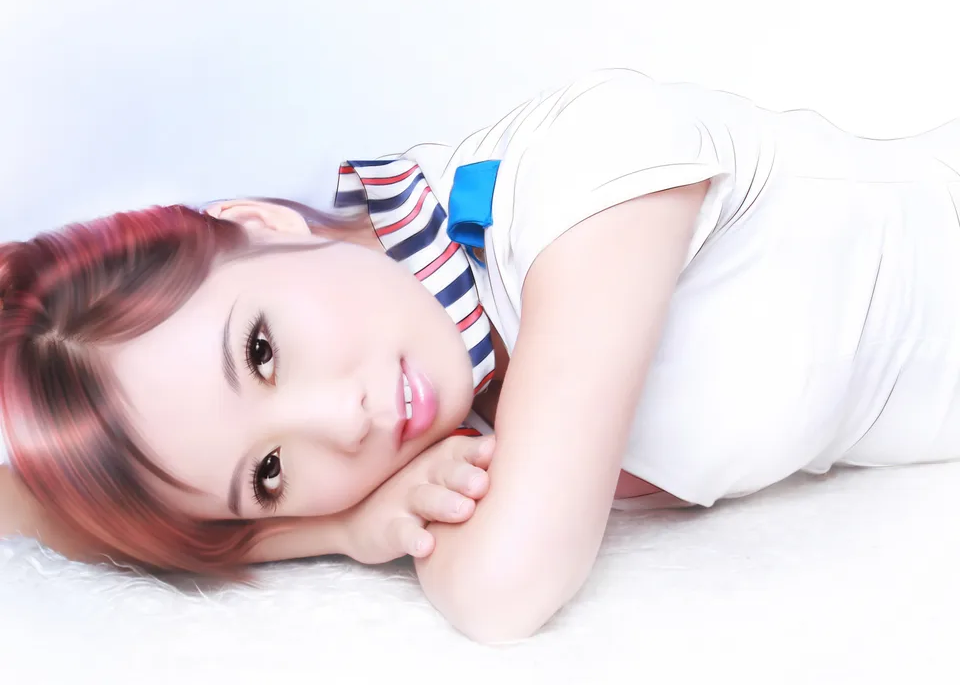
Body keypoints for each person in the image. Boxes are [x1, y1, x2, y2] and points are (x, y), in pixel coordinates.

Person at [2, 68, 960, 642]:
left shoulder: (581, 178)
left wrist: (335, 527)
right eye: (270, 473)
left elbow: (504, 588)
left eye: (260, 352)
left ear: (255, 223)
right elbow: (35, 509)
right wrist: (340, 528)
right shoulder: (457, 401)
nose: (344, 423)